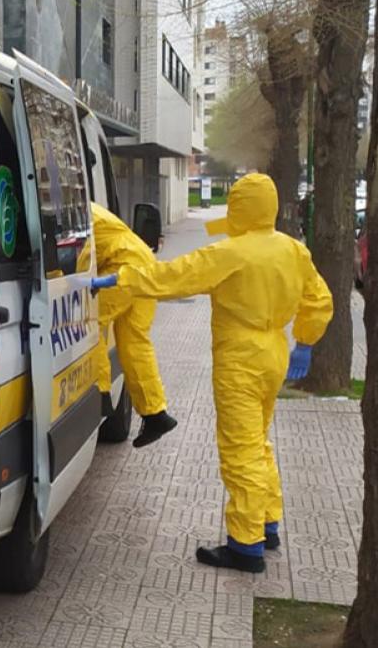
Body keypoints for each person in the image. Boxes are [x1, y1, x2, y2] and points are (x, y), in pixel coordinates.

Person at [92, 173, 333, 573]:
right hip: (274, 351)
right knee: (259, 441)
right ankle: (266, 524)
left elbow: (172, 277)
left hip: (240, 357)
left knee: (240, 450)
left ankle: (245, 545)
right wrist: (304, 342)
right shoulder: (293, 250)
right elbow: (320, 299)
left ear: (239, 206)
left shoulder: (230, 253)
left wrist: (123, 278)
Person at [79, 203, 178, 447]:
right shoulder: (88, 205)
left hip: (123, 266)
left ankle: (100, 393)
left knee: (90, 322)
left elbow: (76, 257)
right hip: (145, 262)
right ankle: (155, 414)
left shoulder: (72, 208)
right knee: (135, 342)